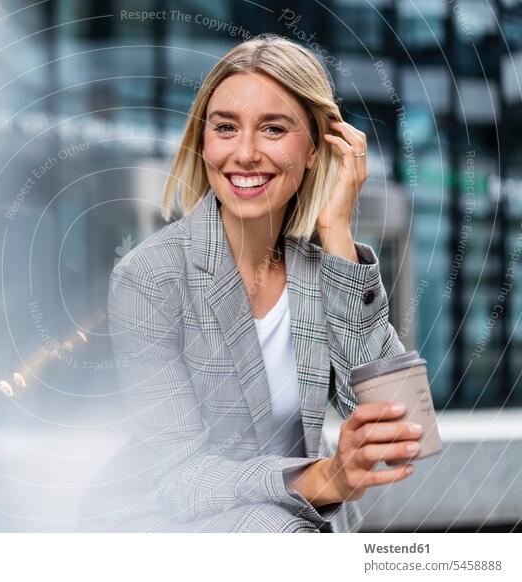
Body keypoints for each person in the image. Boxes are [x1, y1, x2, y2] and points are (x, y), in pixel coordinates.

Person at [84, 33, 423, 533]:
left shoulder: (320, 267)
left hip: (291, 526)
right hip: (175, 526)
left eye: (273, 128)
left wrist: (337, 233)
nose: (244, 153)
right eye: (225, 127)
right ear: (203, 144)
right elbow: (182, 479)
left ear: (316, 147)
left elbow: (403, 423)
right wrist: (323, 477)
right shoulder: (149, 278)